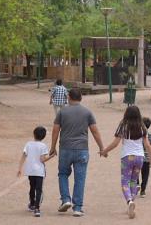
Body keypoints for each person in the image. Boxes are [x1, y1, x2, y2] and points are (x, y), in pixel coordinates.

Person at [50, 88, 106, 217]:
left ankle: (65, 200)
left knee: (63, 174)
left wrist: (53, 147)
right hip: (82, 150)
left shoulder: (62, 112)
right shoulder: (87, 112)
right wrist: (101, 148)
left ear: (69, 97)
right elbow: (95, 131)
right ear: (81, 98)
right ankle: (78, 207)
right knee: (80, 178)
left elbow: (55, 130)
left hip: (65, 149)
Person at [100, 106, 151, 219]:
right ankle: (132, 202)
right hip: (140, 157)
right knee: (134, 180)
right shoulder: (142, 126)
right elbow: (147, 145)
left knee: (125, 181)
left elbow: (115, 143)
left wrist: (104, 151)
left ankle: (129, 201)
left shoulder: (123, 125)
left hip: (127, 157)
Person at [17, 126, 55, 217]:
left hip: (30, 170)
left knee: (32, 187)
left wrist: (19, 168)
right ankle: (37, 209)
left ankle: (32, 204)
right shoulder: (43, 146)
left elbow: (23, 156)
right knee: (39, 189)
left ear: (34, 134)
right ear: (44, 136)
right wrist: (51, 156)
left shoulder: (28, 144)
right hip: (39, 171)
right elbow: (42, 159)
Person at [137, 117, 151, 198]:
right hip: (146, 159)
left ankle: (136, 184)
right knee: (145, 175)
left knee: (135, 172)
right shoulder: (150, 136)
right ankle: (143, 191)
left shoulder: (136, 134)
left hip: (137, 157)